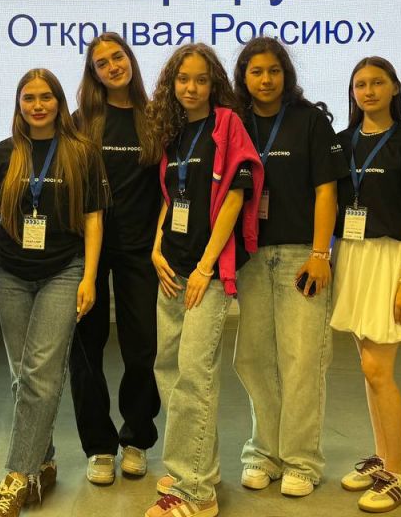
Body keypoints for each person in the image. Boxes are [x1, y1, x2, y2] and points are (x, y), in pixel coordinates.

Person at [145, 43, 263, 517]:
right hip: (172, 268)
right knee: (169, 370)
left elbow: (235, 196)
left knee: (195, 374)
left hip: (205, 274)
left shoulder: (227, 125)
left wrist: (206, 267)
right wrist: (157, 246)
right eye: (182, 79)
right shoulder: (174, 133)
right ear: (171, 84)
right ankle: (199, 467)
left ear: (214, 83)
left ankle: (195, 491)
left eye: (200, 79)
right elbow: (171, 197)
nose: (190, 88)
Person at [0, 68, 107, 517]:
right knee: (23, 376)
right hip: (11, 273)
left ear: (59, 102)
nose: (37, 106)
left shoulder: (81, 152)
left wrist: (89, 277)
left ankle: (17, 476)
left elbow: (93, 219)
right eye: (29, 98)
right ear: (19, 104)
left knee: (40, 372)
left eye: (46, 97)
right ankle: (44, 461)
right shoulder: (5, 153)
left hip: (63, 271)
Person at [231, 37, 348, 498]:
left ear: (286, 75)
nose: (266, 80)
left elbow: (326, 192)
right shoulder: (235, 122)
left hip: (301, 257)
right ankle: (264, 452)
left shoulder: (309, 120)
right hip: (250, 258)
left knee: (302, 359)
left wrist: (321, 255)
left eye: (274, 71)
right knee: (255, 358)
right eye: (256, 71)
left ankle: (301, 460)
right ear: (243, 77)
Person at [330, 56, 401, 514]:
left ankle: (397, 474)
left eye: (377, 83)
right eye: (360, 84)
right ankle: (382, 457)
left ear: (395, 88)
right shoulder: (343, 143)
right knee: (368, 367)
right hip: (354, 256)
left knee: (379, 370)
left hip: (394, 260)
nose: (369, 91)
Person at [69, 33, 162, 486]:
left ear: (130, 59)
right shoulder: (81, 121)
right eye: (102, 63)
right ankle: (99, 447)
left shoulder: (155, 118)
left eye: (117, 57)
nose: (112, 66)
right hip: (87, 250)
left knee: (142, 348)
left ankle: (137, 438)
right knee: (86, 351)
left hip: (140, 251)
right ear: (94, 73)